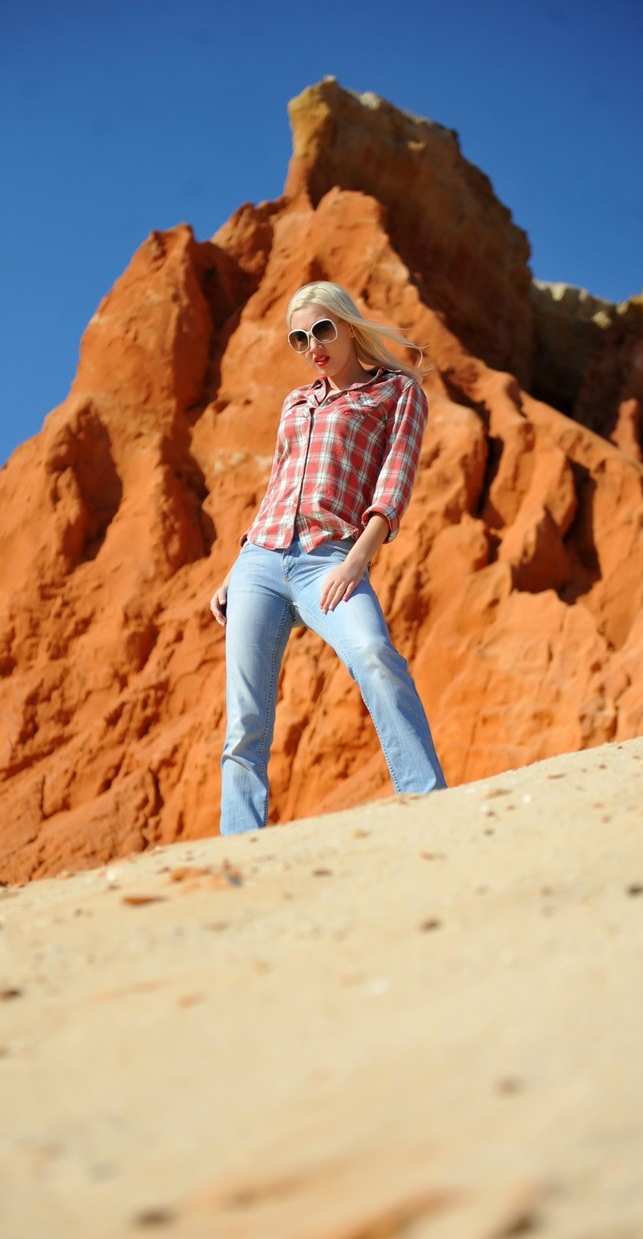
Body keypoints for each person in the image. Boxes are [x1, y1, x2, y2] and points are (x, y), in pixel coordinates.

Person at [210, 281, 446, 834]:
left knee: (374, 652)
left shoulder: (397, 392)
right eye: (299, 338)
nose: (312, 345)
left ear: (347, 325)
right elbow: (277, 487)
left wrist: (356, 561)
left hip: (331, 557)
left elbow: (395, 483)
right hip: (260, 563)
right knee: (246, 717)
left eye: (321, 329)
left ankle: (429, 801)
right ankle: (240, 843)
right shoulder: (297, 402)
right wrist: (236, 566)